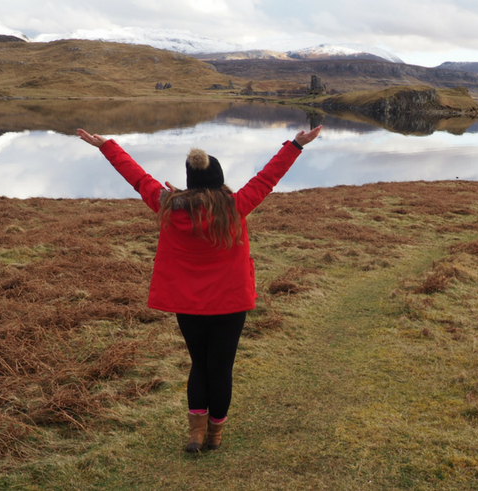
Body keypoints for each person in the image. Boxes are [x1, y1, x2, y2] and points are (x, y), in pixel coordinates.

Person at [77, 125, 322, 453]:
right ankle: (214, 436)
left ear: (190, 182)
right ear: (219, 182)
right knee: (220, 368)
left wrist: (106, 145)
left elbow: (137, 177)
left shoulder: (168, 205)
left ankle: (195, 434)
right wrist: (295, 145)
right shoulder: (235, 205)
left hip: (188, 305)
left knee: (199, 364)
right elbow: (267, 177)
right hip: (230, 303)